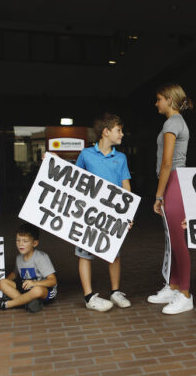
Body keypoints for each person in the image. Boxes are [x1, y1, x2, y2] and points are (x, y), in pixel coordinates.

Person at [73, 113, 133, 311]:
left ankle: (115, 292)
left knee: (114, 254)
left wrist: (128, 214)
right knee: (84, 254)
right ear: (106, 132)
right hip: (89, 214)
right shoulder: (86, 155)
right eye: (119, 130)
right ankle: (89, 297)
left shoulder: (121, 157)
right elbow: (73, 182)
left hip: (113, 215)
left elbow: (126, 187)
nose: (122, 134)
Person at [147, 83, 194, 314]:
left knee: (178, 241)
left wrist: (158, 195)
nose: (156, 104)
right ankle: (174, 286)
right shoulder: (176, 122)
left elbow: (167, 163)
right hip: (175, 182)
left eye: (158, 99)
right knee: (173, 240)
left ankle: (185, 293)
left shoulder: (172, 122)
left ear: (168, 99)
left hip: (174, 183)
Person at [0, 223, 58, 312]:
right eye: (18, 240)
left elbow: (53, 281)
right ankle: (28, 302)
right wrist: (6, 285)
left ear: (34, 243)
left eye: (25, 241)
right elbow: (15, 274)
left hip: (43, 289)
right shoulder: (19, 258)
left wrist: (35, 284)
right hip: (26, 288)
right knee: (2, 283)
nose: (20, 244)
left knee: (37, 290)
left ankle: (6, 304)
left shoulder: (41, 258)